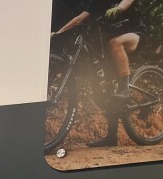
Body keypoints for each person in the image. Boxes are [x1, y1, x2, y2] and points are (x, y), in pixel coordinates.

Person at [55, 0, 143, 146]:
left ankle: (125, 88)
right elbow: (79, 18)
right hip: (111, 47)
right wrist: (58, 32)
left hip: (135, 35)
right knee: (106, 85)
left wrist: (118, 8)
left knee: (115, 43)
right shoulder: (99, 2)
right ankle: (111, 136)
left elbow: (127, 2)